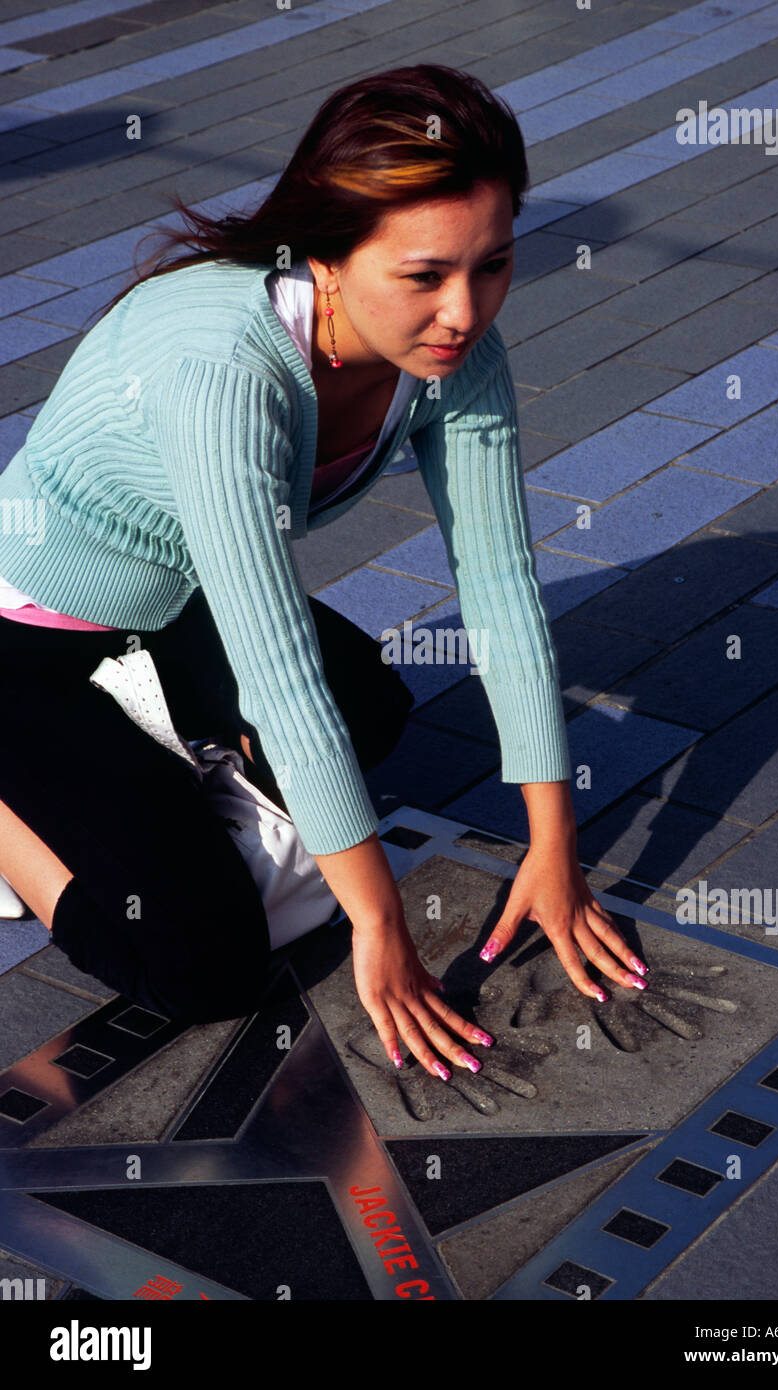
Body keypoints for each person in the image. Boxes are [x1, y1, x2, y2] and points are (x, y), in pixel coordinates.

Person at [0, 64, 647, 1080]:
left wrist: (552, 844)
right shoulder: (222, 369)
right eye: (425, 275)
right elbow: (275, 671)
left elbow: (500, 590)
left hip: (164, 605)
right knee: (202, 962)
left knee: (371, 707)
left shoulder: (451, 353)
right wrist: (376, 919)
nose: (463, 311)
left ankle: (143, 762)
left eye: (493, 265)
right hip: (29, 637)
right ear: (328, 258)